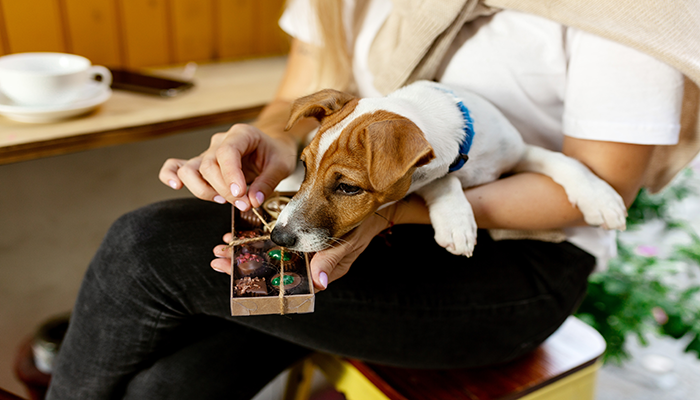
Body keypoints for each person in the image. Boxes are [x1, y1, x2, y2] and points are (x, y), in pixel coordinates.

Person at [47, 0, 694, 399]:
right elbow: (293, 103)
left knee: (150, 250)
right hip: (367, 229)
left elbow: (594, 189)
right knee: (173, 384)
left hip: (515, 262)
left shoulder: (628, 9)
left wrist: (386, 209)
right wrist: (269, 139)